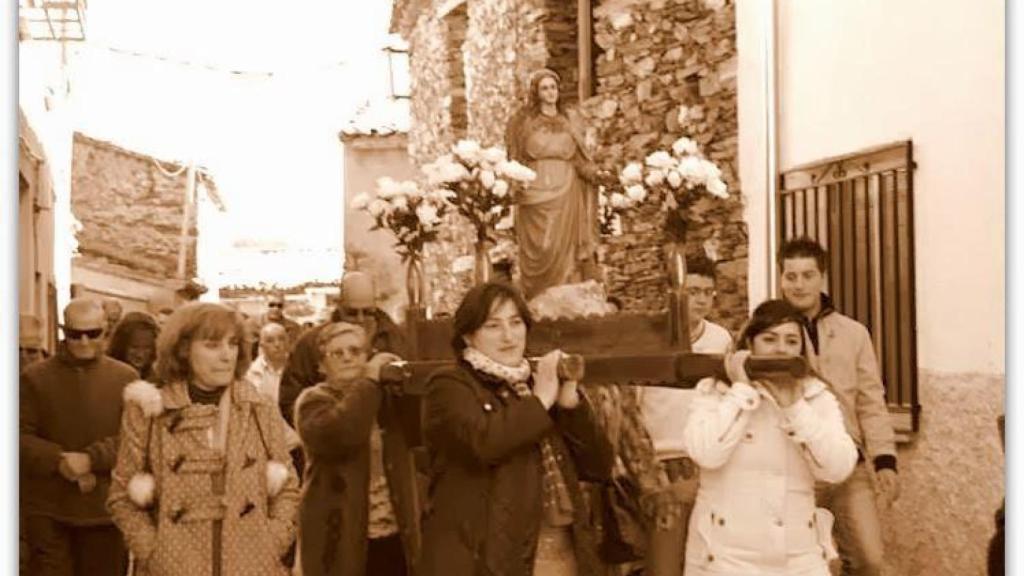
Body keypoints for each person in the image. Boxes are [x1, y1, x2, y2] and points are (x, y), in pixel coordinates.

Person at [418, 282, 614, 576]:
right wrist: (541, 400)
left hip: (560, 552)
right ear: (469, 336)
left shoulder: (536, 385)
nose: (509, 337)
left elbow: (599, 466)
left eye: (516, 323)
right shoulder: (448, 386)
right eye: (493, 326)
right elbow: (484, 443)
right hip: (485, 558)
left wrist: (570, 404)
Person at [107, 302, 301, 575]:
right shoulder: (149, 411)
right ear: (184, 349)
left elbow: (288, 489)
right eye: (212, 345)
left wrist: (271, 543)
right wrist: (154, 552)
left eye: (233, 344)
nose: (226, 356)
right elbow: (122, 496)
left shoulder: (259, 407)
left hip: (253, 567)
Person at [683, 299, 858, 575]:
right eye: (770, 339)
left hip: (799, 557)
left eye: (791, 341)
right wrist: (741, 391)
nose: (781, 349)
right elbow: (705, 452)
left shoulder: (816, 396)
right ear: (749, 344)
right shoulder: (714, 391)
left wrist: (795, 408)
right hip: (725, 557)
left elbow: (838, 468)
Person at [778, 237, 899, 576]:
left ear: (822, 278)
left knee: (870, 561)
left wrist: (885, 459)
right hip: (792, 466)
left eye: (807, 275)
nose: (799, 284)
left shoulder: (854, 334)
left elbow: (871, 400)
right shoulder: (766, 333)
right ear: (781, 278)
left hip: (849, 467)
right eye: (791, 275)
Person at [21, 298, 138, 576]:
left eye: (92, 333)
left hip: (106, 512)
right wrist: (57, 459)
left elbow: (135, 439)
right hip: (48, 511)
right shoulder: (34, 378)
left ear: (105, 331)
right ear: (63, 331)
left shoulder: (126, 378)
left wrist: (90, 459)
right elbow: (17, 435)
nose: (84, 342)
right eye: (75, 334)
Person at [294, 322, 422, 576]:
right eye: (337, 353)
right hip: (340, 539)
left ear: (367, 356)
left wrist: (402, 378)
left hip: (395, 534)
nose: (347, 358)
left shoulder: (384, 397)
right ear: (321, 365)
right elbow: (343, 432)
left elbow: (422, 432)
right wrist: (370, 379)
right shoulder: (312, 401)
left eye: (355, 351)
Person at [638, 256, 734, 576]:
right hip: (661, 462)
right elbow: (634, 403)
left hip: (706, 461)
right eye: (694, 291)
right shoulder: (650, 338)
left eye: (708, 292)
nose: (702, 299)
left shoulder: (721, 340)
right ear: (674, 293)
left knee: (708, 559)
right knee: (664, 561)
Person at [505, 68, 602, 299]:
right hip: (534, 189)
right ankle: (536, 298)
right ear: (536, 92)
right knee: (542, 247)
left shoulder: (569, 120)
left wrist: (596, 174)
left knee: (564, 249)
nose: (550, 92)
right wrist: (515, 184)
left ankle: (564, 298)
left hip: (567, 189)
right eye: (544, 88)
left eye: (553, 87)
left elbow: (580, 158)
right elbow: (515, 157)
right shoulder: (524, 121)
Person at [279, 270, 407, 428]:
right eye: (352, 313)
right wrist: (322, 431)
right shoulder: (310, 343)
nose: (360, 320)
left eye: (367, 312)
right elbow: (289, 399)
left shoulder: (397, 339)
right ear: (340, 306)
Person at [107, 311, 161, 381]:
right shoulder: (107, 374)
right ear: (121, 346)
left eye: (147, 348)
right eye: (134, 347)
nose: (140, 355)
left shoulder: (157, 380)